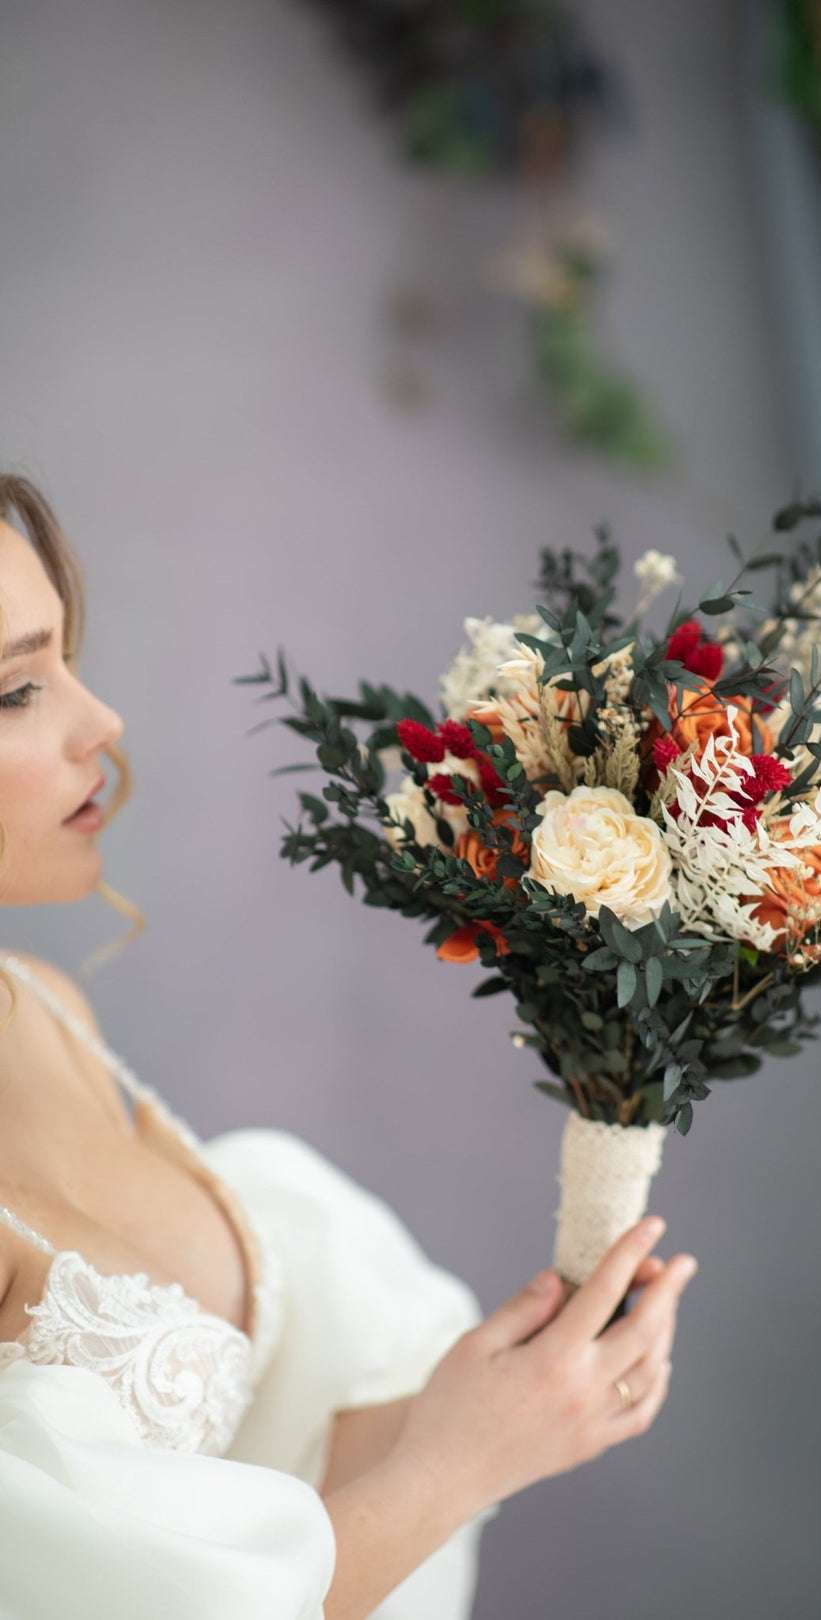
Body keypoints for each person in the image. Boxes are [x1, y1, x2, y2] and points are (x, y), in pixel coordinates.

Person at [0, 473, 698, 1620]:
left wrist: (526, 1392)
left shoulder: (43, 1008)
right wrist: (456, 1466)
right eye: (19, 688)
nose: (101, 721)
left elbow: (257, 1444)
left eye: (71, 660)